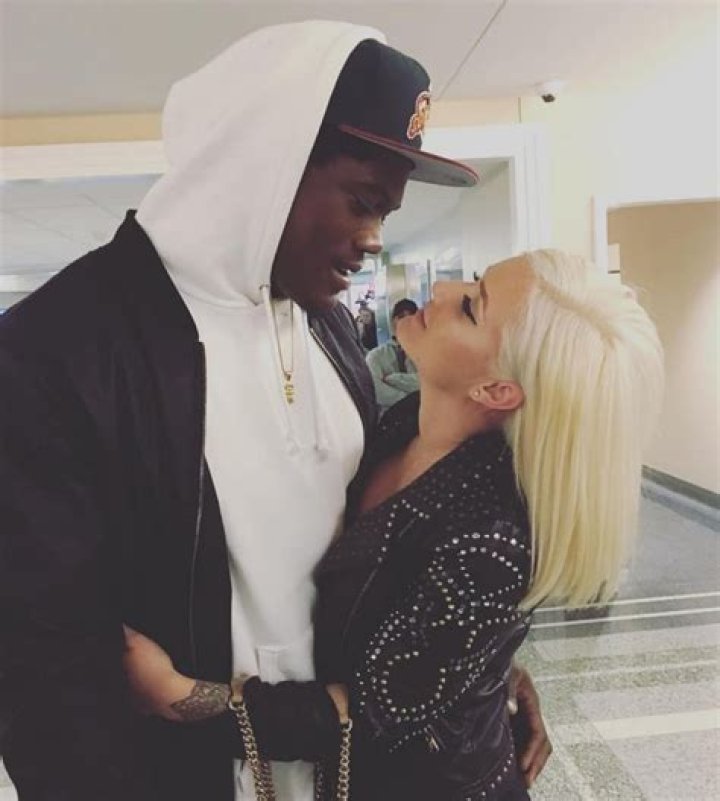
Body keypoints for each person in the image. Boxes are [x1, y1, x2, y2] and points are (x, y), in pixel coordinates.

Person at [0, 20, 549, 801]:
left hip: (342, 770)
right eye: (362, 202)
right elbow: (42, 673)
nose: (373, 240)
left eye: (386, 213)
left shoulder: (325, 323)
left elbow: (374, 555)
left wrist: (478, 673)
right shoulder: (57, 349)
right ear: (266, 165)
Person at [121, 249, 663, 799]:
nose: (445, 290)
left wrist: (175, 695)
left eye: (471, 308)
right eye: (473, 281)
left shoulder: (492, 538)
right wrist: (492, 670)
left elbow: (367, 717)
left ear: (496, 390)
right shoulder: (404, 421)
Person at [366, 297, 420, 415]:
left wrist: (394, 379)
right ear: (392, 322)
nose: (406, 321)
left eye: (411, 316)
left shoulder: (427, 353)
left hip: (424, 418)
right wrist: (410, 401)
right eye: (401, 317)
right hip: (390, 419)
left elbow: (429, 383)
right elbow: (376, 391)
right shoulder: (376, 356)